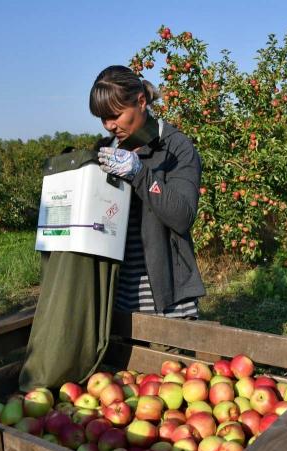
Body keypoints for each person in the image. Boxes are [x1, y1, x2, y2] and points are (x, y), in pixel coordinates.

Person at [92, 65, 205, 317]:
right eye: (102, 118)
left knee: (170, 356)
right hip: (118, 293)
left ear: (141, 102)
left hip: (168, 293)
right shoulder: (107, 149)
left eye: (115, 115)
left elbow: (182, 216)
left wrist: (139, 173)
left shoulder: (175, 147)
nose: (109, 125)